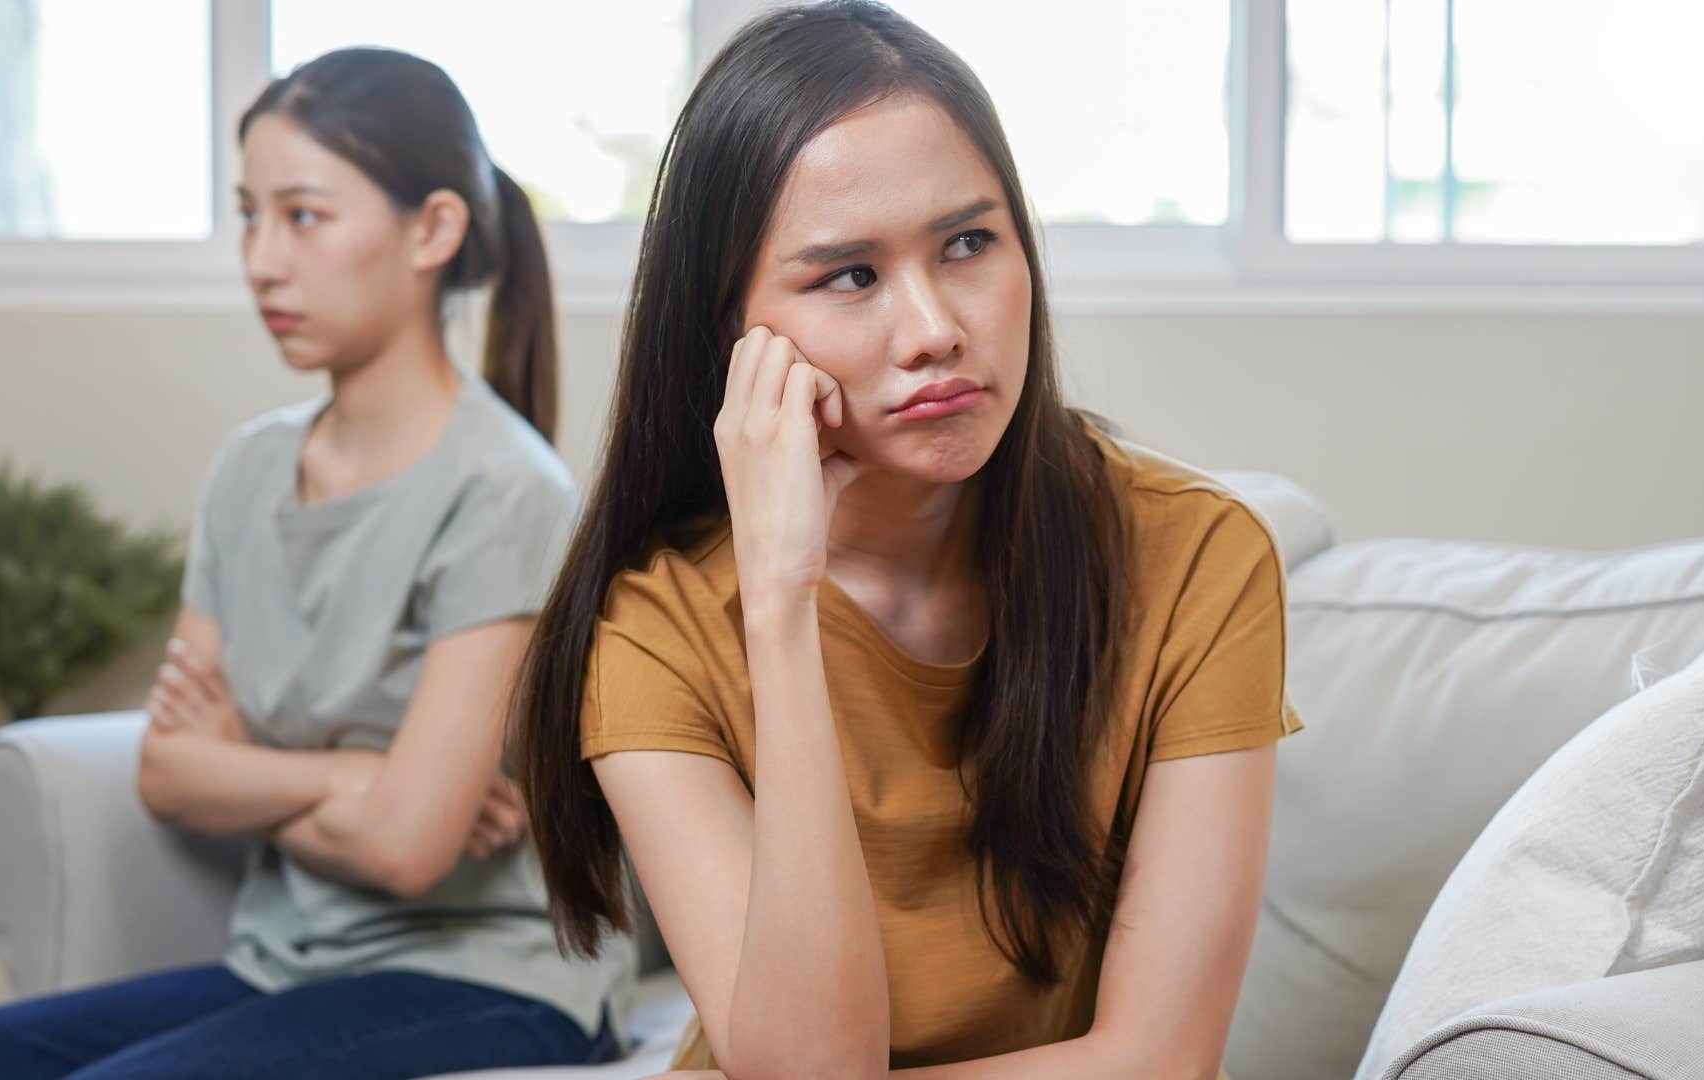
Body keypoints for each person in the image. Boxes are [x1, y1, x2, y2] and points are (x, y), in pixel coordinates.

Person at [514, 5, 1302, 1077]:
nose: (936, 330)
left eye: (969, 243)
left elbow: (1165, 1060)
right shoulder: (656, 628)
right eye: (851, 275)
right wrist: (779, 604)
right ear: (732, 333)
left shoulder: (1198, 557)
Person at [0, 47, 634, 1080]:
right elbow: (168, 772)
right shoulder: (248, 469)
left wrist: (249, 771)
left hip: (489, 973)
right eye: (249, 216)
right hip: (292, 962)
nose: (260, 261)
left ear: (432, 230)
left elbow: (408, 849)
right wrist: (354, 778)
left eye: (303, 216)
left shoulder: (505, 488)